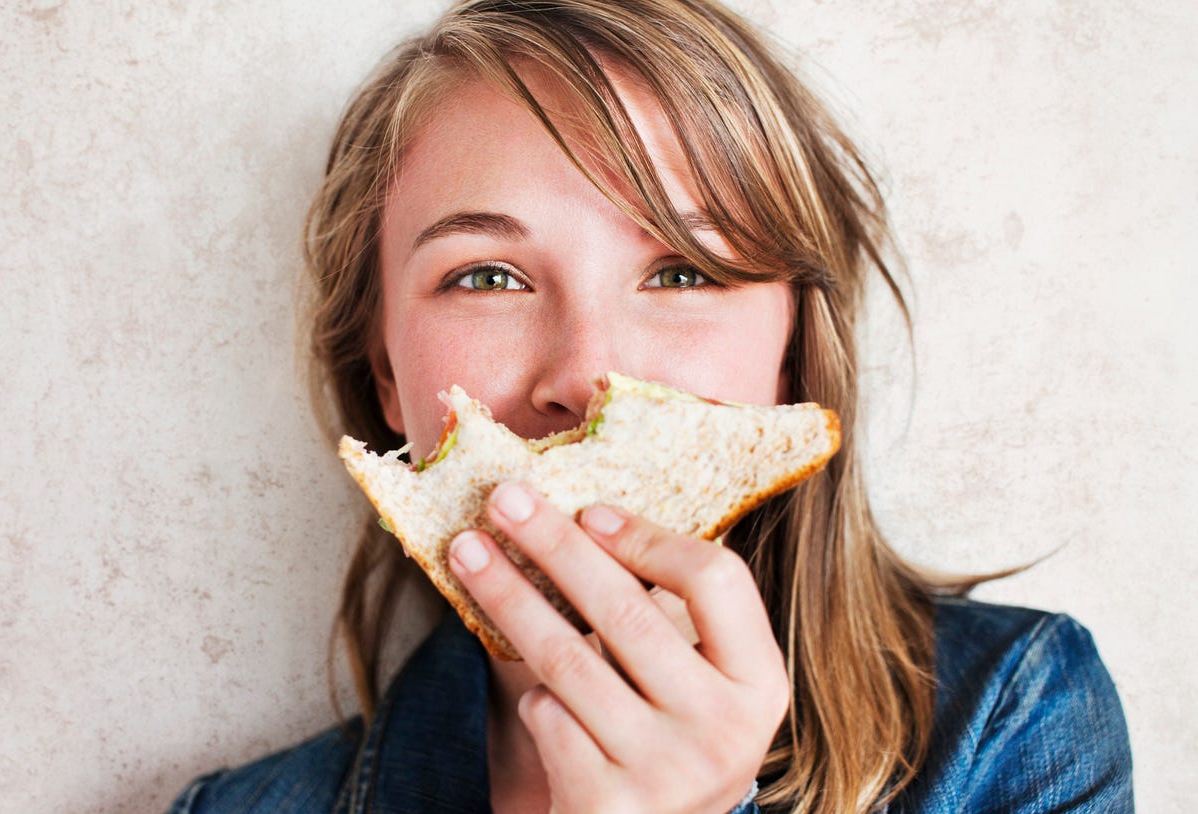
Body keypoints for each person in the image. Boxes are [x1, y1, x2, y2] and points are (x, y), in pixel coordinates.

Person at [169, 1, 1133, 811]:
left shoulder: (1013, 720)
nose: (589, 379)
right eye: (489, 276)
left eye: (681, 271)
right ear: (383, 371)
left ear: (792, 355)